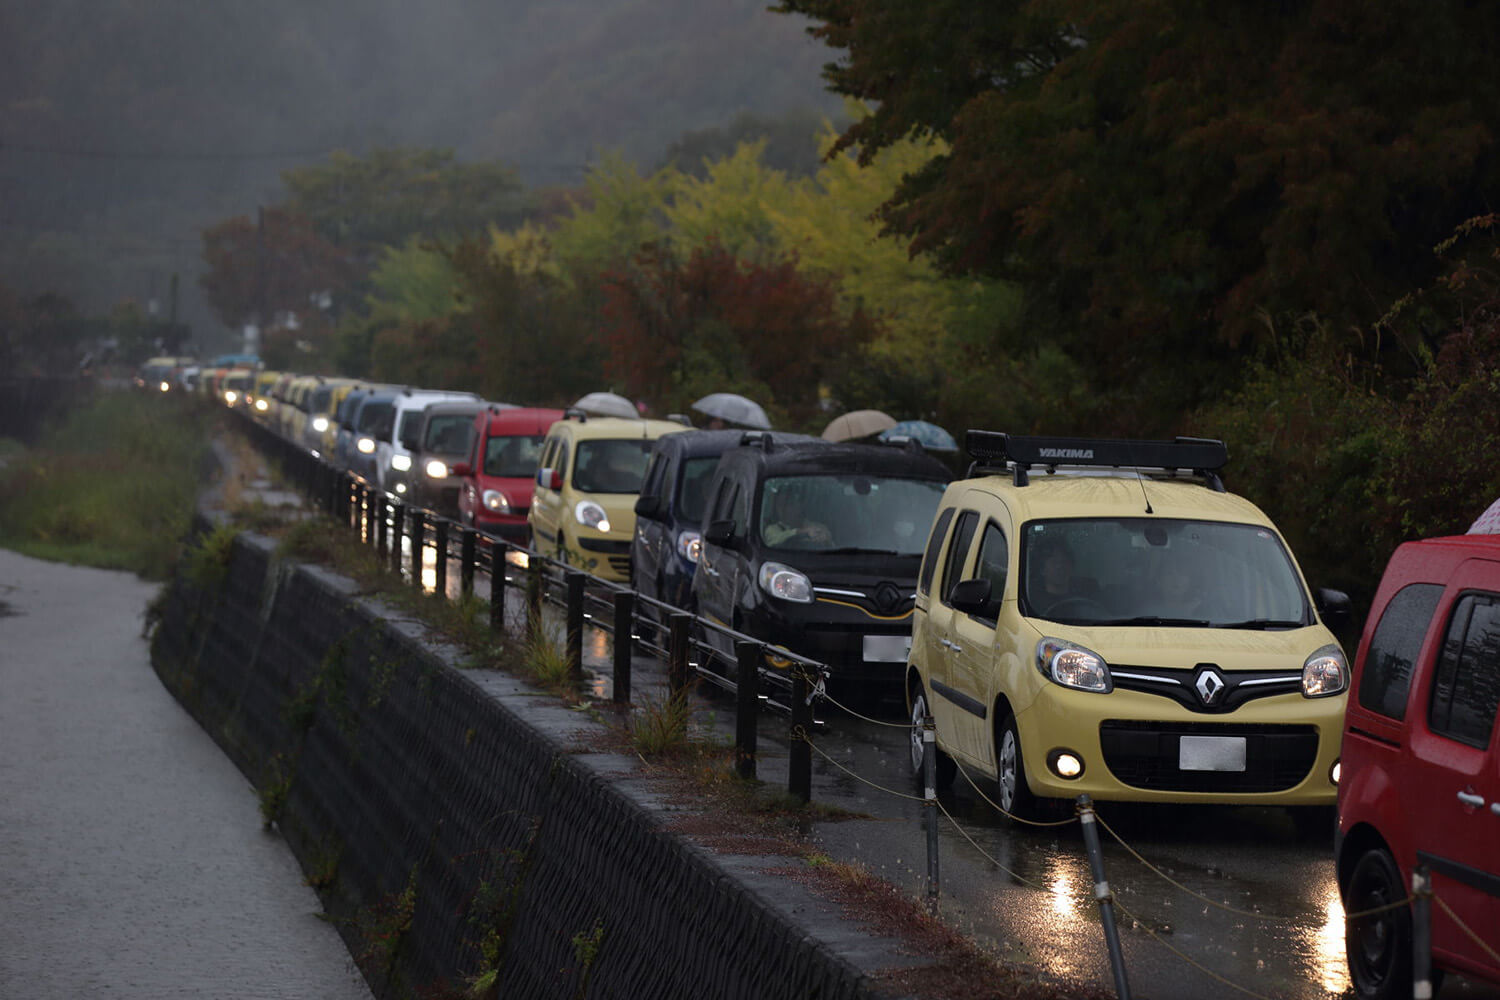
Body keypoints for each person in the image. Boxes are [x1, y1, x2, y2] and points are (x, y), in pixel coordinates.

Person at [762, 489, 832, 547]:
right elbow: (774, 541)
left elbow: (831, 549)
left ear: (800, 506)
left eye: (789, 504)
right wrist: (802, 532)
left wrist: (824, 541)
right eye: (780, 505)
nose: (783, 509)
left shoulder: (818, 528)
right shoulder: (772, 530)